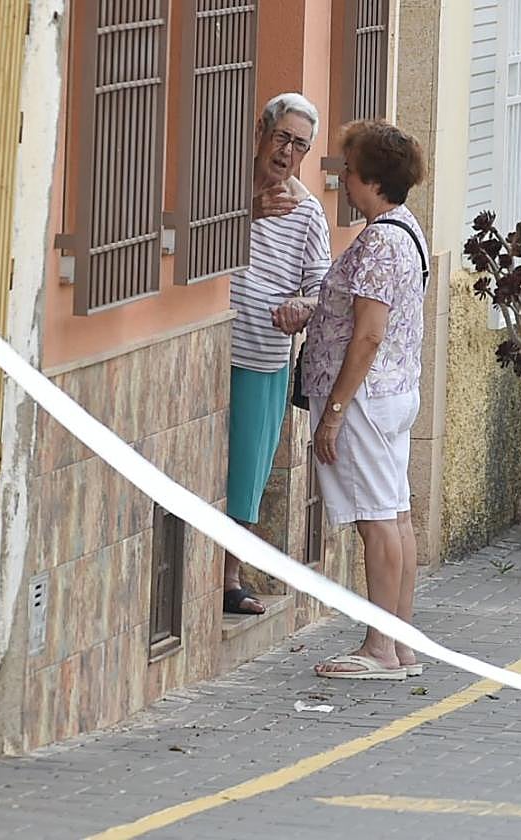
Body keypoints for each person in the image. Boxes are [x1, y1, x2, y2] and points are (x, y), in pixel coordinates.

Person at [295, 119, 428, 678]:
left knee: (377, 519)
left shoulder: (379, 244)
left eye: (348, 170)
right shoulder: (405, 230)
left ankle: (380, 646)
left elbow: (368, 334)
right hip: (395, 392)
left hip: (369, 399)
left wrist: (335, 412)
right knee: (394, 514)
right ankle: (400, 643)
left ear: (372, 179)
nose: (342, 179)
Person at [223, 93, 332, 615]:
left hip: (263, 354)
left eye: (301, 145)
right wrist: (245, 209)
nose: (288, 152)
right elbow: (200, 236)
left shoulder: (308, 211)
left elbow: (322, 289)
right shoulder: (224, 188)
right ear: (260, 132)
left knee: (247, 473)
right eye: (283, 137)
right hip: (215, 348)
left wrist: (301, 308)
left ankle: (228, 577)